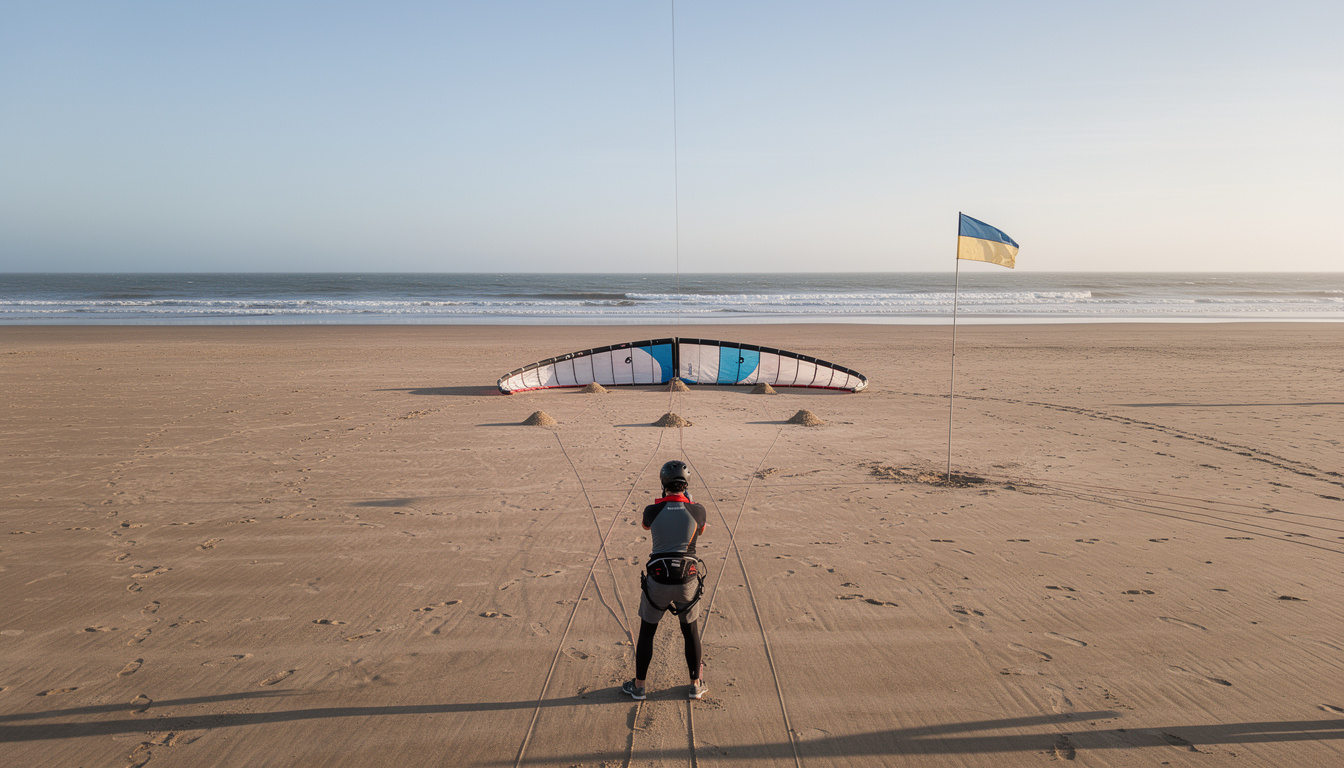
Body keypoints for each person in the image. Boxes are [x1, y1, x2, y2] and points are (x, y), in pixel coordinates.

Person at [622, 460, 709, 701]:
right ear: (686, 483)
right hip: (686, 581)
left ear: (664, 484)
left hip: (658, 582)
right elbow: (701, 530)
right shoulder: (698, 510)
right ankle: (695, 684)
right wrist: (689, 503)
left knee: (647, 632)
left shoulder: (652, 510)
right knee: (690, 631)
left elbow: (645, 526)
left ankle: (639, 686)